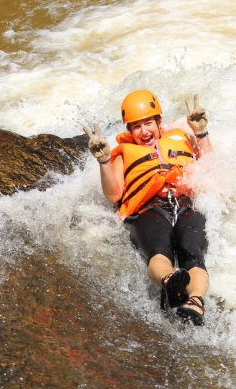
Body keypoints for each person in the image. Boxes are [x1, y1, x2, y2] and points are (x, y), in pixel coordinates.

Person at [83, 90, 212, 325]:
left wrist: (201, 132)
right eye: (136, 127)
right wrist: (103, 161)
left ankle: (196, 300)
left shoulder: (184, 138)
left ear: (159, 123)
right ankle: (169, 280)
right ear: (129, 131)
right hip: (150, 211)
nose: (144, 132)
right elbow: (114, 195)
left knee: (193, 253)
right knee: (158, 250)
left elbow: (213, 168)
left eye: (148, 124)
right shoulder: (124, 155)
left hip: (186, 207)